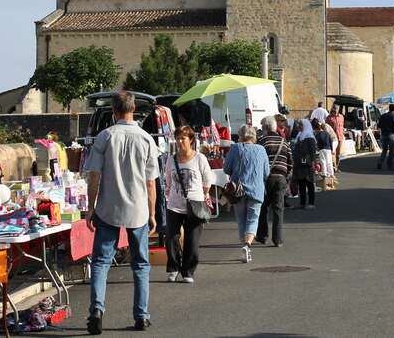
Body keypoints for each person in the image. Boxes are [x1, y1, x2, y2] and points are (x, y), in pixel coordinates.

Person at [84, 91, 159, 334]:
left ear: (114, 111)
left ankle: (96, 309)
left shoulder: (104, 137)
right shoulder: (147, 139)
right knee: (140, 264)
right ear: (134, 108)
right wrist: (152, 212)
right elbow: (150, 182)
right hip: (137, 208)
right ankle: (142, 315)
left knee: (101, 262)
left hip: (109, 207)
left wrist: (90, 207)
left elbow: (94, 175)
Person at [164, 126, 213, 283]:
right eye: (177, 138)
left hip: (195, 204)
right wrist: (169, 194)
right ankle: (173, 267)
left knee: (192, 240)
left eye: (183, 138)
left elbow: (208, 180)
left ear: (191, 140)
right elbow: (168, 180)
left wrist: (203, 193)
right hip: (174, 204)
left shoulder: (199, 158)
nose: (179, 141)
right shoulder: (171, 159)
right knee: (171, 237)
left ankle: (188, 271)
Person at [223, 124, 269, 263]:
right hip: (256, 190)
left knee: (241, 220)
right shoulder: (261, 150)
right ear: (254, 136)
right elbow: (266, 172)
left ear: (241, 135)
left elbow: (226, 169)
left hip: (238, 190)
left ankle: (244, 246)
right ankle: (247, 245)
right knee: (253, 219)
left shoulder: (235, 148)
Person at [255, 116, 292, 247]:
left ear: (265, 127)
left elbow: (257, 161)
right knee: (278, 209)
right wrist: (286, 176)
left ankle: (262, 236)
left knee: (263, 207)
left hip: (266, 178)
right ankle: (278, 240)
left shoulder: (262, 141)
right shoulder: (284, 141)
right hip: (281, 178)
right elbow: (290, 162)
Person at [291, 119, 318, 208]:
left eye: (301, 125)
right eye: (299, 125)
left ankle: (311, 203)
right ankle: (302, 203)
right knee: (301, 184)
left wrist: (314, 162)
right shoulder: (299, 136)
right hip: (299, 164)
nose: (299, 127)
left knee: (309, 183)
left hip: (308, 164)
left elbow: (313, 152)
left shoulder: (310, 137)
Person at [313, 119, 335, 190]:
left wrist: (317, 148)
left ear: (317, 129)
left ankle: (325, 174)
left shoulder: (318, 135)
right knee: (329, 162)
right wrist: (332, 149)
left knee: (323, 162)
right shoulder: (326, 133)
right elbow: (330, 141)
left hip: (322, 149)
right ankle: (331, 174)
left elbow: (316, 143)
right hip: (328, 149)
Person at [377, 105, 394, 170]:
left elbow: (379, 125)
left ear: (389, 109)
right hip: (391, 134)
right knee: (391, 150)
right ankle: (390, 164)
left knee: (384, 150)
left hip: (384, 134)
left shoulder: (383, 116)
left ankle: (380, 162)